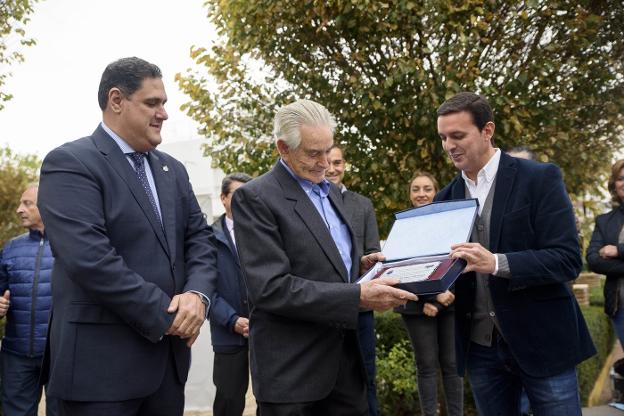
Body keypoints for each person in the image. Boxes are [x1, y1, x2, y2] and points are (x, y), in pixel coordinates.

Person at [37, 57, 218, 416]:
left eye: (164, 103)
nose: (164, 113)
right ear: (116, 100)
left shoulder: (173, 170)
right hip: (99, 375)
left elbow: (200, 240)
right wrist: (171, 317)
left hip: (166, 371)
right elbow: (90, 260)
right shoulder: (70, 163)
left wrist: (197, 296)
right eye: (153, 103)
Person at [231, 99, 418, 416]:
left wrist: (358, 266)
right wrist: (357, 295)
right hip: (293, 373)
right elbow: (271, 288)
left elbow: (323, 261)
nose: (325, 163)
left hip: (345, 366)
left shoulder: (332, 193)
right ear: (283, 148)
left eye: (328, 151)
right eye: (313, 153)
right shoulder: (256, 198)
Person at [435, 92, 595, 416]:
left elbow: (567, 259)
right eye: (443, 137)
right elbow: (442, 271)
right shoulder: (444, 199)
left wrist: (496, 263)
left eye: (458, 135)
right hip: (480, 349)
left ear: (487, 130)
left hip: (543, 341)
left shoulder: (540, 178)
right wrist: (396, 268)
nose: (449, 145)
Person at [394, 171, 463, 416]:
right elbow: (399, 268)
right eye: (416, 189)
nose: (421, 194)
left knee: (453, 366)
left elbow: (458, 262)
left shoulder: (451, 224)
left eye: (427, 188)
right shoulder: (402, 226)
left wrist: (442, 299)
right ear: (409, 194)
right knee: (426, 366)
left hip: (450, 302)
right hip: (415, 305)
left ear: (436, 192)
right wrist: (430, 297)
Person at [326, 144, 381, 416]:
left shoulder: (362, 205)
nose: (333, 168)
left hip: (360, 307)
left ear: (345, 165)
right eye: (328, 162)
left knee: (366, 376)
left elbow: (373, 251)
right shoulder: (311, 203)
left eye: (338, 162)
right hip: (324, 307)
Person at [0, 184, 57, 416]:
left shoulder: (72, 245)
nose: (19, 210)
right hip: (17, 356)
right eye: (20, 203)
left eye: (27, 203)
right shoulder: (11, 248)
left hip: (59, 355)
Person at [209, 172, 254, 416]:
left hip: (266, 332)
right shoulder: (208, 238)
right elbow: (205, 290)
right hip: (228, 334)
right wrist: (232, 320)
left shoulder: (264, 233)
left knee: (272, 399)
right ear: (224, 198)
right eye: (237, 195)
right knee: (228, 399)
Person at [587, 159, 624, 347]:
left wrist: (618, 250)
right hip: (620, 308)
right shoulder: (604, 221)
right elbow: (593, 260)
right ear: (614, 186)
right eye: (620, 179)